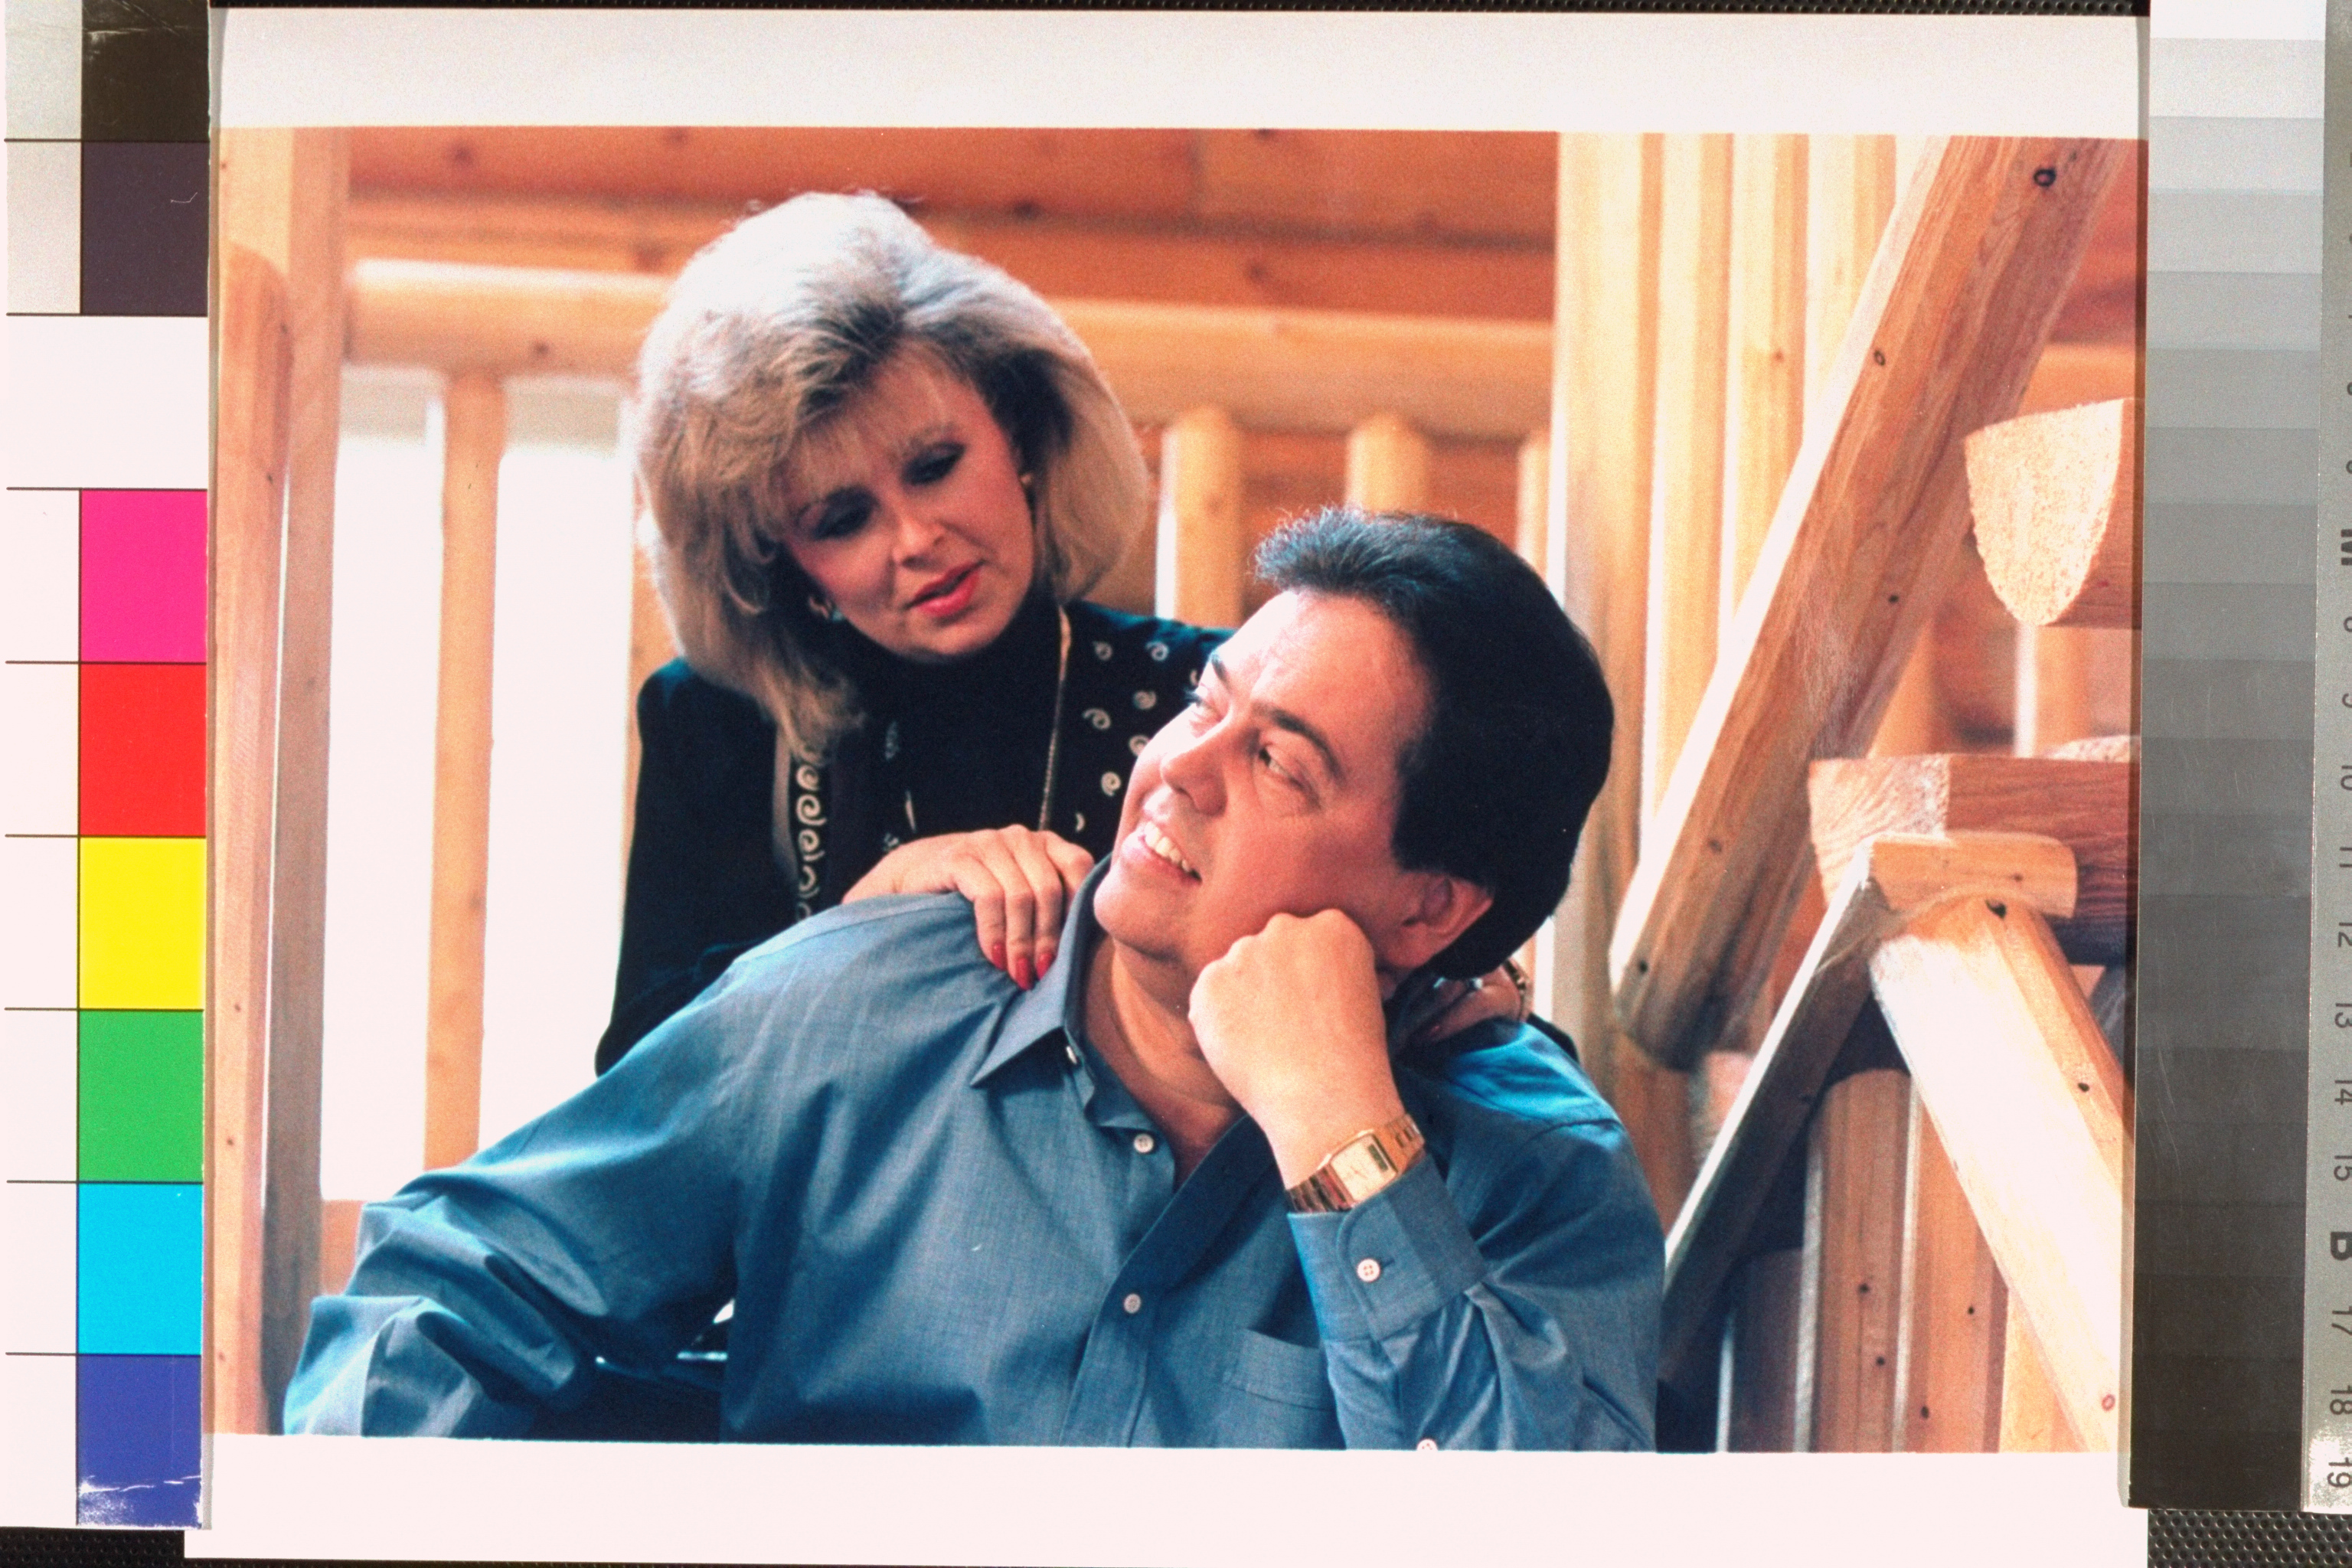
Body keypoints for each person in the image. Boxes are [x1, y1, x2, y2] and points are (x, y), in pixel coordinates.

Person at [284, 510, 1661, 1449]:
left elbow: (1532, 1526)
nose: (1178, 766)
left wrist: (1339, 1135)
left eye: (1278, 762)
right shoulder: (862, 1002)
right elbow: (447, 1281)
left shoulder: (1534, 1169)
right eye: (1206, 700)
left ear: (1431, 903)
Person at [606, 191, 1226, 1070]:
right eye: (842, 519)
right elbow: (642, 1066)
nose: (916, 541)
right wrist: (864, 914)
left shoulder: (1205, 694)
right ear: (782, 559)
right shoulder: (718, 718)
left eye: (935, 467)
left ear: (1019, 432)